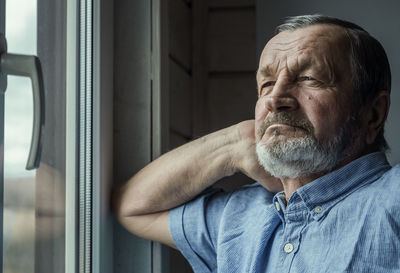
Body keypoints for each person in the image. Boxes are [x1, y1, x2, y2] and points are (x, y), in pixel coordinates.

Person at [113, 14, 400, 272]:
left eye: (309, 78)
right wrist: (236, 142)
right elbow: (133, 207)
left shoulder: (392, 198)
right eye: (266, 84)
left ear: (372, 114)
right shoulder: (239, 217)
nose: (275, 99)